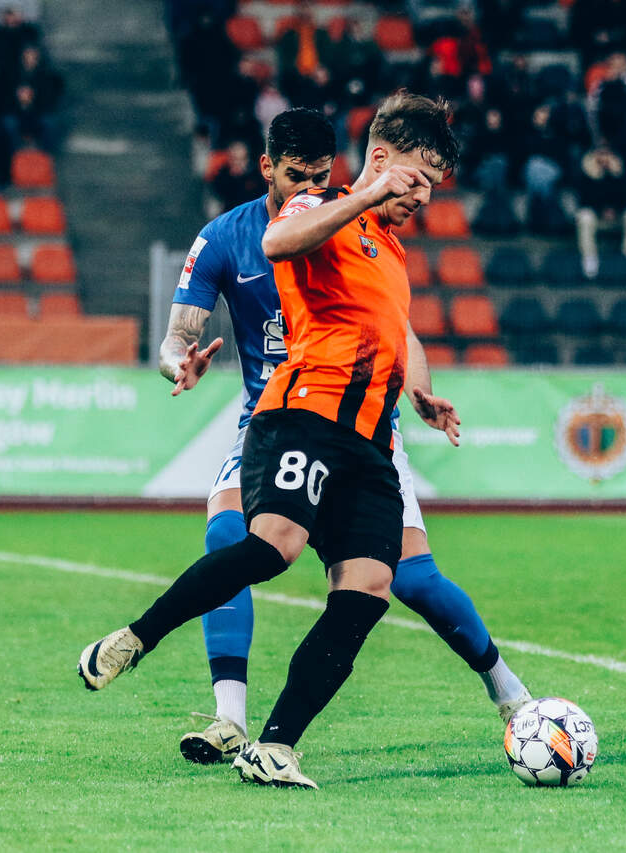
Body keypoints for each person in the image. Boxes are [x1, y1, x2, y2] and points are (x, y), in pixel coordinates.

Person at [79, 95, 526, 788]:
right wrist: (368, 193)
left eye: (432, 189)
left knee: (372, 587)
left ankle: (275, 745)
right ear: (380, 161)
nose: (422, 199)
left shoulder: (390, 249)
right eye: (417, 181)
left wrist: (419, 392)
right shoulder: (317, 208)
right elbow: (278, 243)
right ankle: (139, 641)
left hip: (371, 440)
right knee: (270, 546)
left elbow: (398, 333)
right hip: (302, 414)